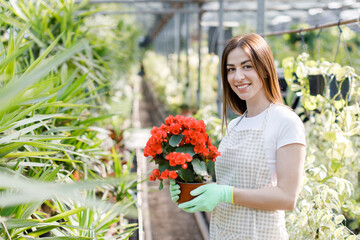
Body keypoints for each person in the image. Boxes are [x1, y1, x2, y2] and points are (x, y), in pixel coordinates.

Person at [169, 33, 306, 239]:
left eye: (247, 66)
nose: (237, 76)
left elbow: (287, 197)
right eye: (231, 69)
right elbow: (230, 182)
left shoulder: (285, 121)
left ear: (266, 69)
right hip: (223, 233)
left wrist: (225, 193)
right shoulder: (235, 125)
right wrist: (192, 188)